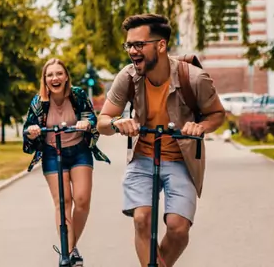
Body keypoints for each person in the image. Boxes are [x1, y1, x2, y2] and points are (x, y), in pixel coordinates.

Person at [97, 14, 226, 266]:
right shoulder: (128, 77)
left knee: (178, 228)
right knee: (142, 218)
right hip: (143, 157)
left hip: (181, 160)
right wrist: (116, 123)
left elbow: (218, 114)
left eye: (138, 45)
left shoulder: (194, 78)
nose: (132, 51)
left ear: (160, 45)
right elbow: (102, 121)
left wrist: (199, 126)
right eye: (129, 45)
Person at [22, 58, 110, 266]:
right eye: (50, 75)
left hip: (79, 151)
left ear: (66, 76)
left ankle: (69, 247)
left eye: (59, 73)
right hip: (53, 153)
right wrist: (33, 132)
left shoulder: (77, 95)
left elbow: (91, 118)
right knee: (63, 202)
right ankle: (67, 254)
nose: (55, 78)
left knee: (81, 200)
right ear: (45, 79)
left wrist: (86, 123)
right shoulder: (38, 103)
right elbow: (27, 131)